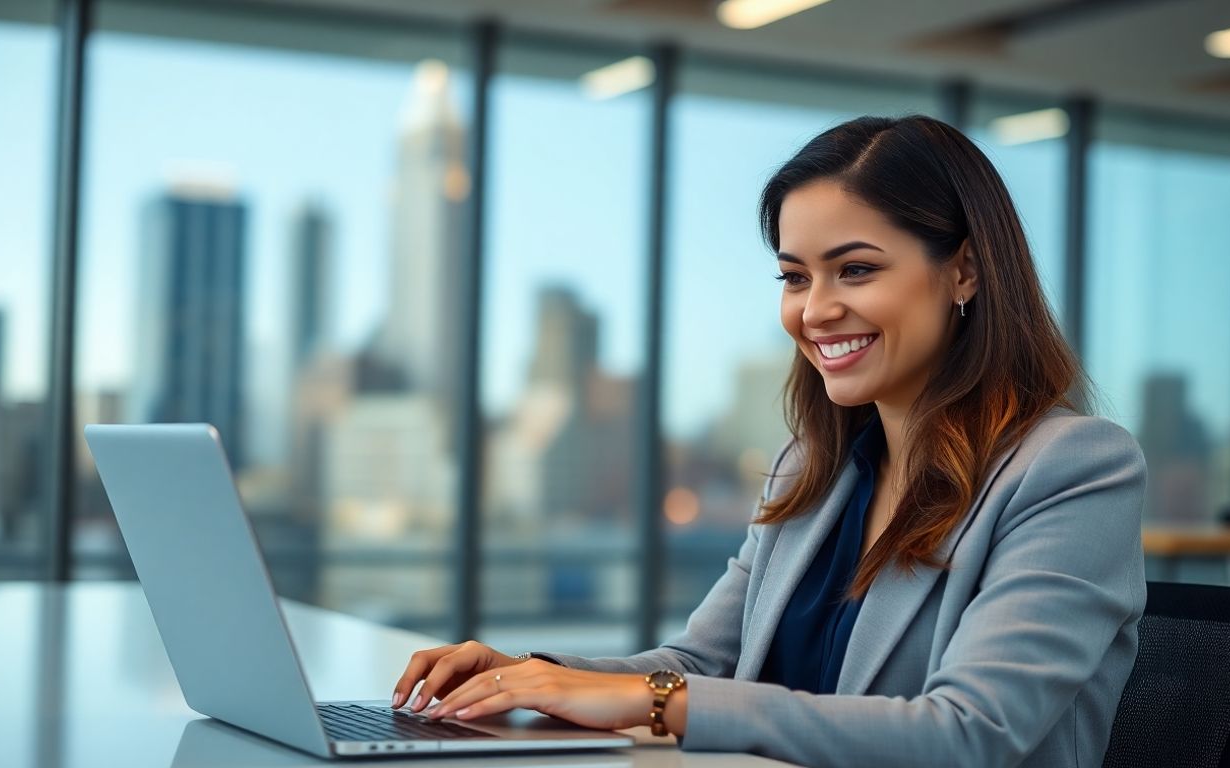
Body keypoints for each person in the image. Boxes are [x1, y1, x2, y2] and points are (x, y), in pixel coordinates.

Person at [389, 114, 1147, 767]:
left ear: (966, 273)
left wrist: (653, 703)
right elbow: (700, 665)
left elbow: (967, 734)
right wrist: (528, 675)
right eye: (794, 277)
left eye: (855, 269)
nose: (815, 311)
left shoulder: (1073, 470)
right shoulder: (810, 470)